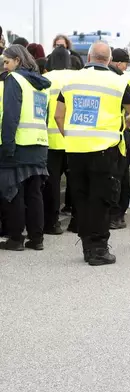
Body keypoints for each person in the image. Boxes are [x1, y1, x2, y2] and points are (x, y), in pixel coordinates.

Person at [55, 40, 130, 265]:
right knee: (102, 199)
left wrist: (71, 135)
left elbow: (58, 115)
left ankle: (87, 247)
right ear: (109, 60)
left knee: (81, 198)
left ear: (88, 58)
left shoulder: (71, 80)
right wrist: (126, 124)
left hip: (75, 150)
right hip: (104, 150)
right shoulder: (117, 82)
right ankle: (99, 250)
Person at [0, 45, 51, 251]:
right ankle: (37, 239)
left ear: (17, 61)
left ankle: (16, 238)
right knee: (34, 193)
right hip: (39, 143)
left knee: (14, 193)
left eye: (7, 62)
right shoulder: (40, 85)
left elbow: (11, 115)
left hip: (19, 145)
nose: (5, 66)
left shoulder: (15, 80)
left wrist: (7, 145)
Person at [42, 46, 74, 235]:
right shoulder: (76, 78)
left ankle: (52, 223)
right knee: (76, 182)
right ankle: (76, 222)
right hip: (72, 139)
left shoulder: (45, 80)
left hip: (50, 140)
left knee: (52, 184)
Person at [109, 48, 130, 229]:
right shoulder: (123, 77)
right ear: (118, 62)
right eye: (126, 63)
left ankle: (118, 214)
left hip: (123, 132)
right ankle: (119, 212)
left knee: (119, 174)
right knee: (121, 173)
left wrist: (125, 124)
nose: (126, 67)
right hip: (126, 132)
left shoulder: (124, 78)